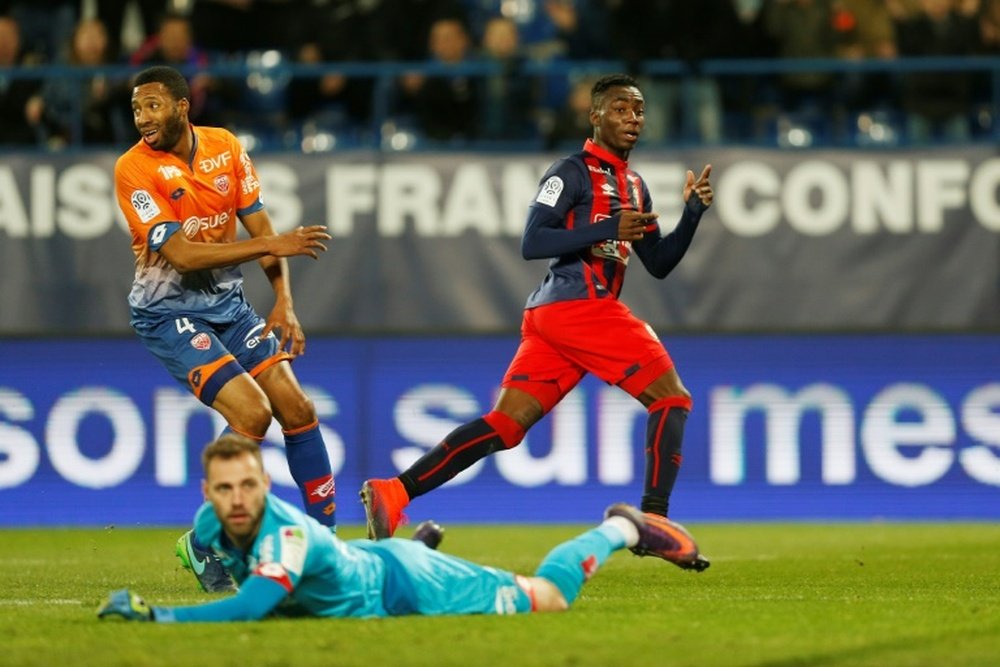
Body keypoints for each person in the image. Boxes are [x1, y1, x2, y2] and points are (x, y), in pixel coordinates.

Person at [361, 73, 714, 571]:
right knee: (672, 398)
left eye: (637, 110)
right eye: (620, 109)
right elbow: (533, 240)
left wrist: (693, 215)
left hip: (555, 321)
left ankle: (394, 492)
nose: (632, 118)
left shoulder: (635, 187)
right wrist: (606, 227)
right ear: (594, 116)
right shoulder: (568, 172)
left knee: (506, 426)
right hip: (577, 306)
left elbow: (657, 262)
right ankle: (654, 522)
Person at [113, 65, 338, 593]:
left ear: (182, 106)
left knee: (299, 410)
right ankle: (202, 540)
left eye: (153, 106)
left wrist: (284, 301)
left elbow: (261, 226)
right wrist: (271, 245)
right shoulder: (133, 169)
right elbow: (183, 253)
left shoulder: (225, 148)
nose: (143, 118)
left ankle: (324, 550)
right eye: (137, 109)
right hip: (168, 311)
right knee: (253, 413)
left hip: (229, 306)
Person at [97, 434, 707, 622]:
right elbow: (213, 553)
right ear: (206, 494)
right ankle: (406, 545)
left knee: (547, 599)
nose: (237, 499)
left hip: (411, 587)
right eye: (225, 489)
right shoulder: (210, 519)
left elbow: (250, 607)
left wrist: (158, 618)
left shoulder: (288, 535)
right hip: (374, 569)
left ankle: (624, 527)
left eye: (248, 486)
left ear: (267, 485)